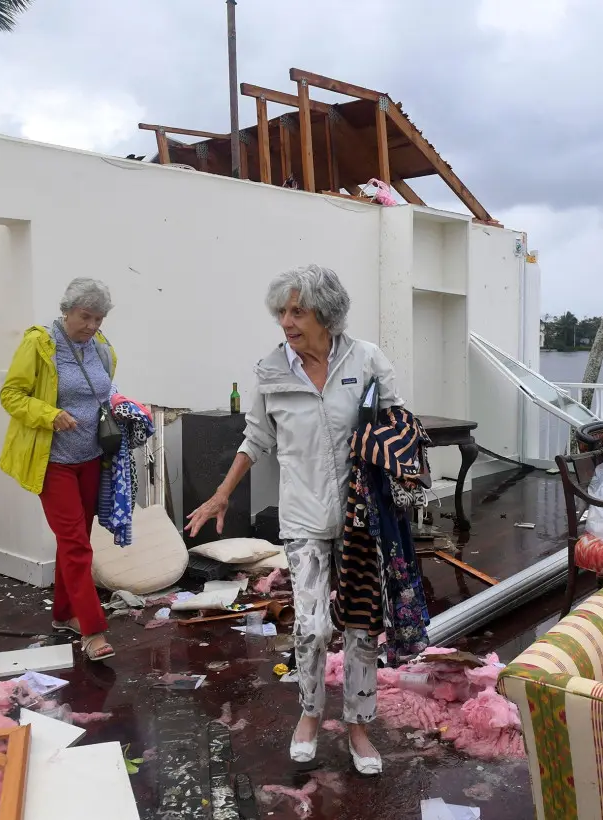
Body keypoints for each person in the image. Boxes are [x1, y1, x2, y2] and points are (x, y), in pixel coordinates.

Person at [185, 264, 403, 776]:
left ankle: (358, 726)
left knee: (362, 627)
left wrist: (398, 467)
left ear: (325, 315)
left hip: (359, 519)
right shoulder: (271, 370)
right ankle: (308, 715)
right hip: (304, 516)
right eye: (281, 311)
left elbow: (395, 423)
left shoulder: (366, 359)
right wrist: (221, 495)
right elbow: (256, 438)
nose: (286, 321)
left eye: (297, 311)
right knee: (310, 624)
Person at [0, 277, 119, 662]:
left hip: (91, 458)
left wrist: (125, 407)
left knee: (77, 539)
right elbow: (11, 395)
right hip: (53, 462)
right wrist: (49, 415)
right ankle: (92, 629)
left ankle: (63, 615)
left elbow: (105, 391)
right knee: (75, 543)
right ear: (66, 311)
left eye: (99, 318)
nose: (93, 326)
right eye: (86, 317)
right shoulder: (39, 344)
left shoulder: (100, 347)